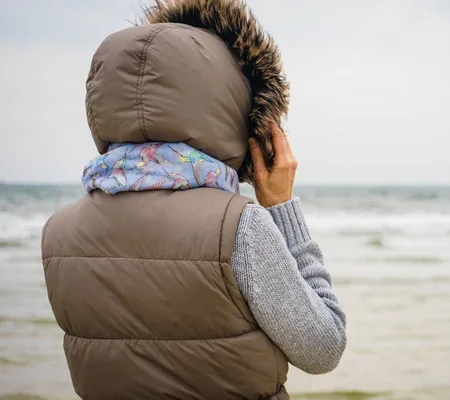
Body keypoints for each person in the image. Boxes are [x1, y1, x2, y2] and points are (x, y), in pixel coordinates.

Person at [41, 1, 346, 399]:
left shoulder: (59, 234)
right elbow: (323, 348)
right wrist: (282, 209)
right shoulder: (237, 227)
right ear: (230, 105)